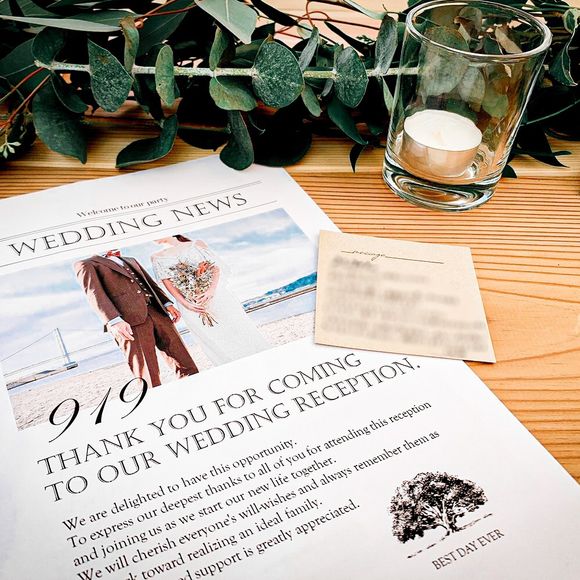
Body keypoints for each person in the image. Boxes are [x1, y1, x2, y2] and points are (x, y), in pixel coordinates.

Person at [74, 249, 199, 388]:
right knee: (147, 373)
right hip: (128, 322)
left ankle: (195, 388)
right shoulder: (86, 264)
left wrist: (166, 303)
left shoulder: (130, 259)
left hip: (158, 312)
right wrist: (114, 321)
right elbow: (94, 293)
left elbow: (149, 283)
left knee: (183, 360)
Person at [151, 236, 269, 365]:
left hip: (217, 296)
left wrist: (210, 291)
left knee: (238, 328)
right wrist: (185, 304)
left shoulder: (196, 244)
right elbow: (167, 282)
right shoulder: (156, 257)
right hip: (191, 305)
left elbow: (215, 268)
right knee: (213, 338)